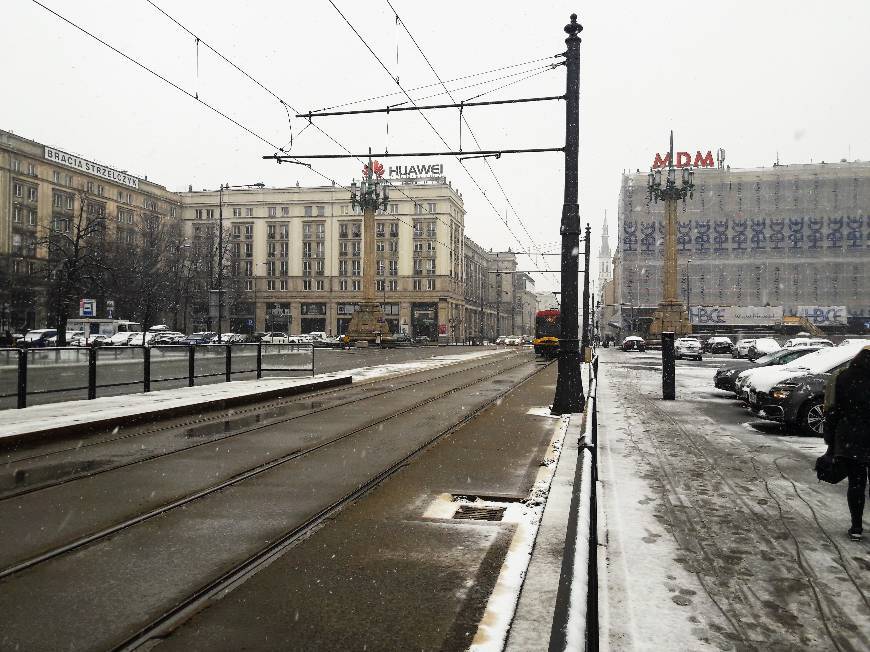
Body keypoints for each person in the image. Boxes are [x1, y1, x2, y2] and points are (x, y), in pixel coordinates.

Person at [824, 345, 870, 541]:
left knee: (856, 484)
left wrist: (830, 441)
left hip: (851, 438)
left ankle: (857, 528)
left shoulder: (843, 377)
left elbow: (832, 410)